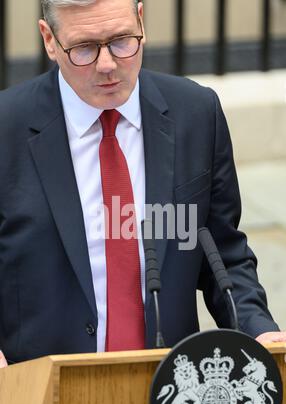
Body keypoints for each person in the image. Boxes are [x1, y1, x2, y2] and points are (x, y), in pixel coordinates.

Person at [0, 0, 285, 369]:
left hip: (169, 393)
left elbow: (223, 254)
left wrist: (258, 330)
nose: (107, 65)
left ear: (141, 21)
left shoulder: (195, 114)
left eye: (121, 40)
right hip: (36, 401)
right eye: (84, 48)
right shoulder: (7, 128)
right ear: (49, 40)